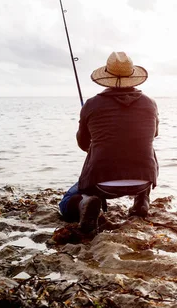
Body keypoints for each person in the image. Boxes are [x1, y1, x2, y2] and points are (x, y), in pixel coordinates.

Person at [58, 52, 159, 232]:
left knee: (66, 203)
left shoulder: (91, 104)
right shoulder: (150, 104)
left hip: (101, 183)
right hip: (143, 179)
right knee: (146, 146)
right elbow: (154, 135)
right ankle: (142, 200)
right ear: (132, 76)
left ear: (106, 76)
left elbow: (83, 144)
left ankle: (85, 203)